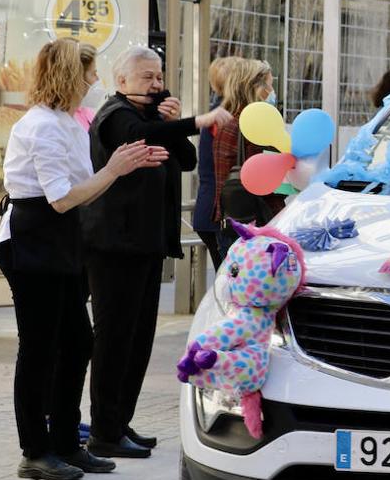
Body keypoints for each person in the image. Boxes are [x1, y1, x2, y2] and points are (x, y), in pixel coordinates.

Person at [0, 39, 166, 480]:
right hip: (32, 238)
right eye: (89, 73)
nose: (95, 81)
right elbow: (59, 199)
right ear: (70, 76)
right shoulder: (41, 127)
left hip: (61, 239)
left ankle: (68, 443)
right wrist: (114, 170)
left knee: (77, 342)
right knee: (38, 348)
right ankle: (35, 449)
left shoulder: (67, 123)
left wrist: (118, 169)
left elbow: (84, 190)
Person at [82, 46, 231, 459]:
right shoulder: (115, 116)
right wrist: (195, 121)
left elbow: (183, 158)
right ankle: (104, 432)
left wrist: (172, 122)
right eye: (146, 77)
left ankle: (118, 422)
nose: (156, 84)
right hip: (115, 246)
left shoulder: (150, 118)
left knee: (138, 339)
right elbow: (135, 136)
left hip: (145, 245)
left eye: (159, 75)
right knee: (114, 339)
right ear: (122, 81)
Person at [212, 58, 285, 263]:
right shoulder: (253, 126)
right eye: (269, 85)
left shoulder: (228, 121)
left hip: (233, 219)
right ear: (256, 87)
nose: (272, 91)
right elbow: (269, 180)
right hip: (256, 223)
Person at [193, 56, 238, 269]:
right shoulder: (224, 118)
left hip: (211, 210)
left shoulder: (217, 113)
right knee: (231, 282)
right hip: (219, 213)